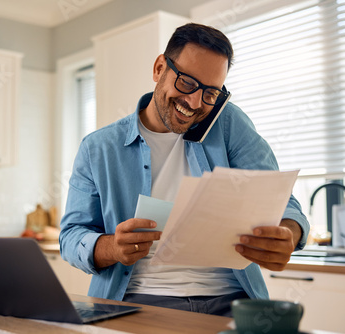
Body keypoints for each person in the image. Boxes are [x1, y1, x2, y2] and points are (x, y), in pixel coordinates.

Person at [59, 23, 310, 317]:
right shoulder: (98, 147)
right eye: (188, 83)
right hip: (138, 302)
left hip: (232, 301)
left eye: (210, 93)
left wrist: (288, 234)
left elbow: (280, 200)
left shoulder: (228, 123)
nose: (194, 102)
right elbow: (71, 236)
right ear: (159, 68)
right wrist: (112, 247)